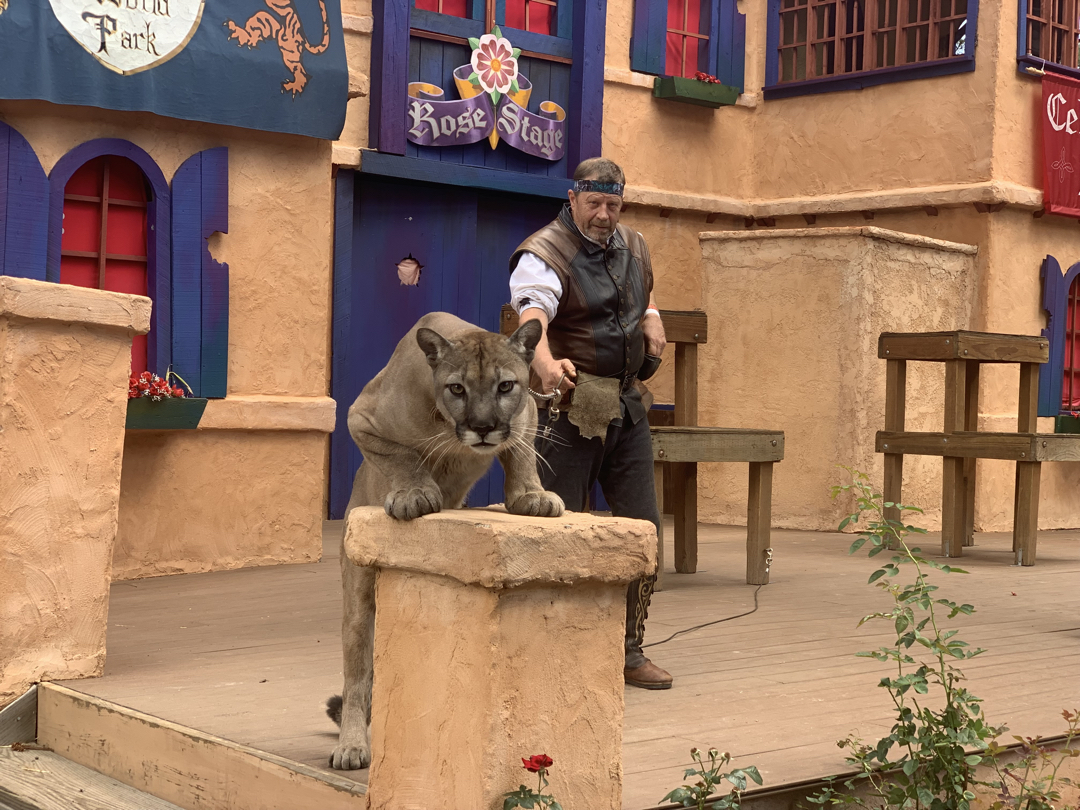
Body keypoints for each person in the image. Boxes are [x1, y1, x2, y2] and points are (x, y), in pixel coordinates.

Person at [508, 157, 672, 689]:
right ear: (574, 197)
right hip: (570, 407)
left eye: (613, 204)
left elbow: (641, 290)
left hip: (627, 404)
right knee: (558, 533)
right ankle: (546, 652)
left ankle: (627, 651)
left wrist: (651, 317)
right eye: (595, 203)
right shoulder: (544, 251)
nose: (604, 215)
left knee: (642, 530)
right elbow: (533, 313)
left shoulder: (637, 244)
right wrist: (544, 364)